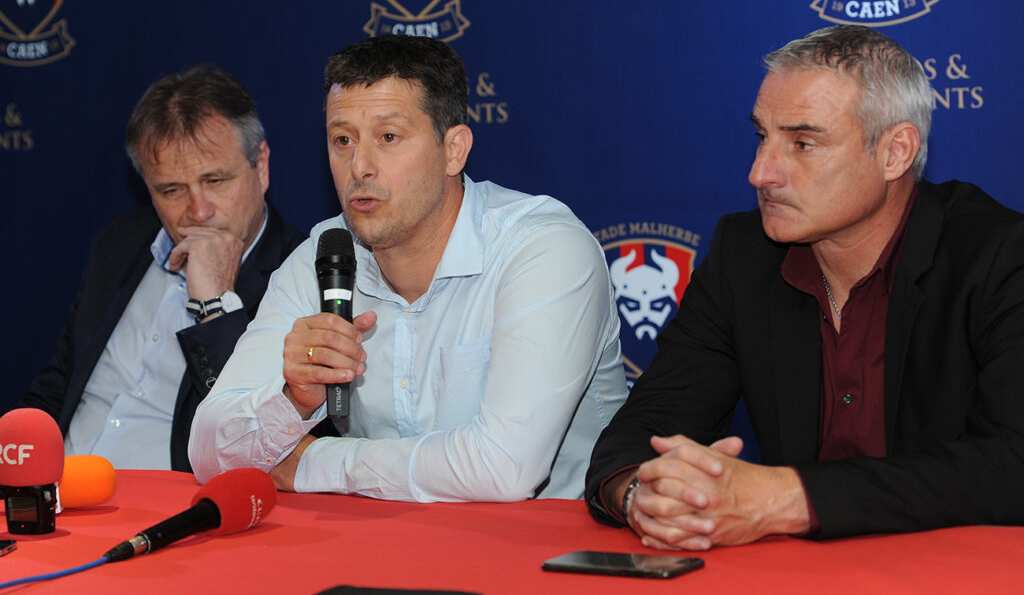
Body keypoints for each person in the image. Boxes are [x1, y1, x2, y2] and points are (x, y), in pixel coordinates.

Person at [586, 24, 1024, 548]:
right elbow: (641, 432)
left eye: (802, 142)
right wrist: (647, 496)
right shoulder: (742, 256)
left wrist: (784, 498)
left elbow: (1011, 465)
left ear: (895, 152)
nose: (760, 172)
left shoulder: (999, 256)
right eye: (761, 137)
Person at [189, 34, 627, 501]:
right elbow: (209, 454)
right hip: (390, 552)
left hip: (551, 556)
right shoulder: (324, 257)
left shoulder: (542, 248)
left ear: (454, 150)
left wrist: (313, 463)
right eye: (342, 140)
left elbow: (504, 467)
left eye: (388, 137)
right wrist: (292, 401)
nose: (360, 166)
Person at [17, 64, 304, 472]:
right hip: (63, 496)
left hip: (168, 518)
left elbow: (255, 444)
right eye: (171, 190)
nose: (198, 211)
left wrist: (214, 306)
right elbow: (58, 386)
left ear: (261, 165)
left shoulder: (300, 273)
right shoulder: (120, 242)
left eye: (217, 181)